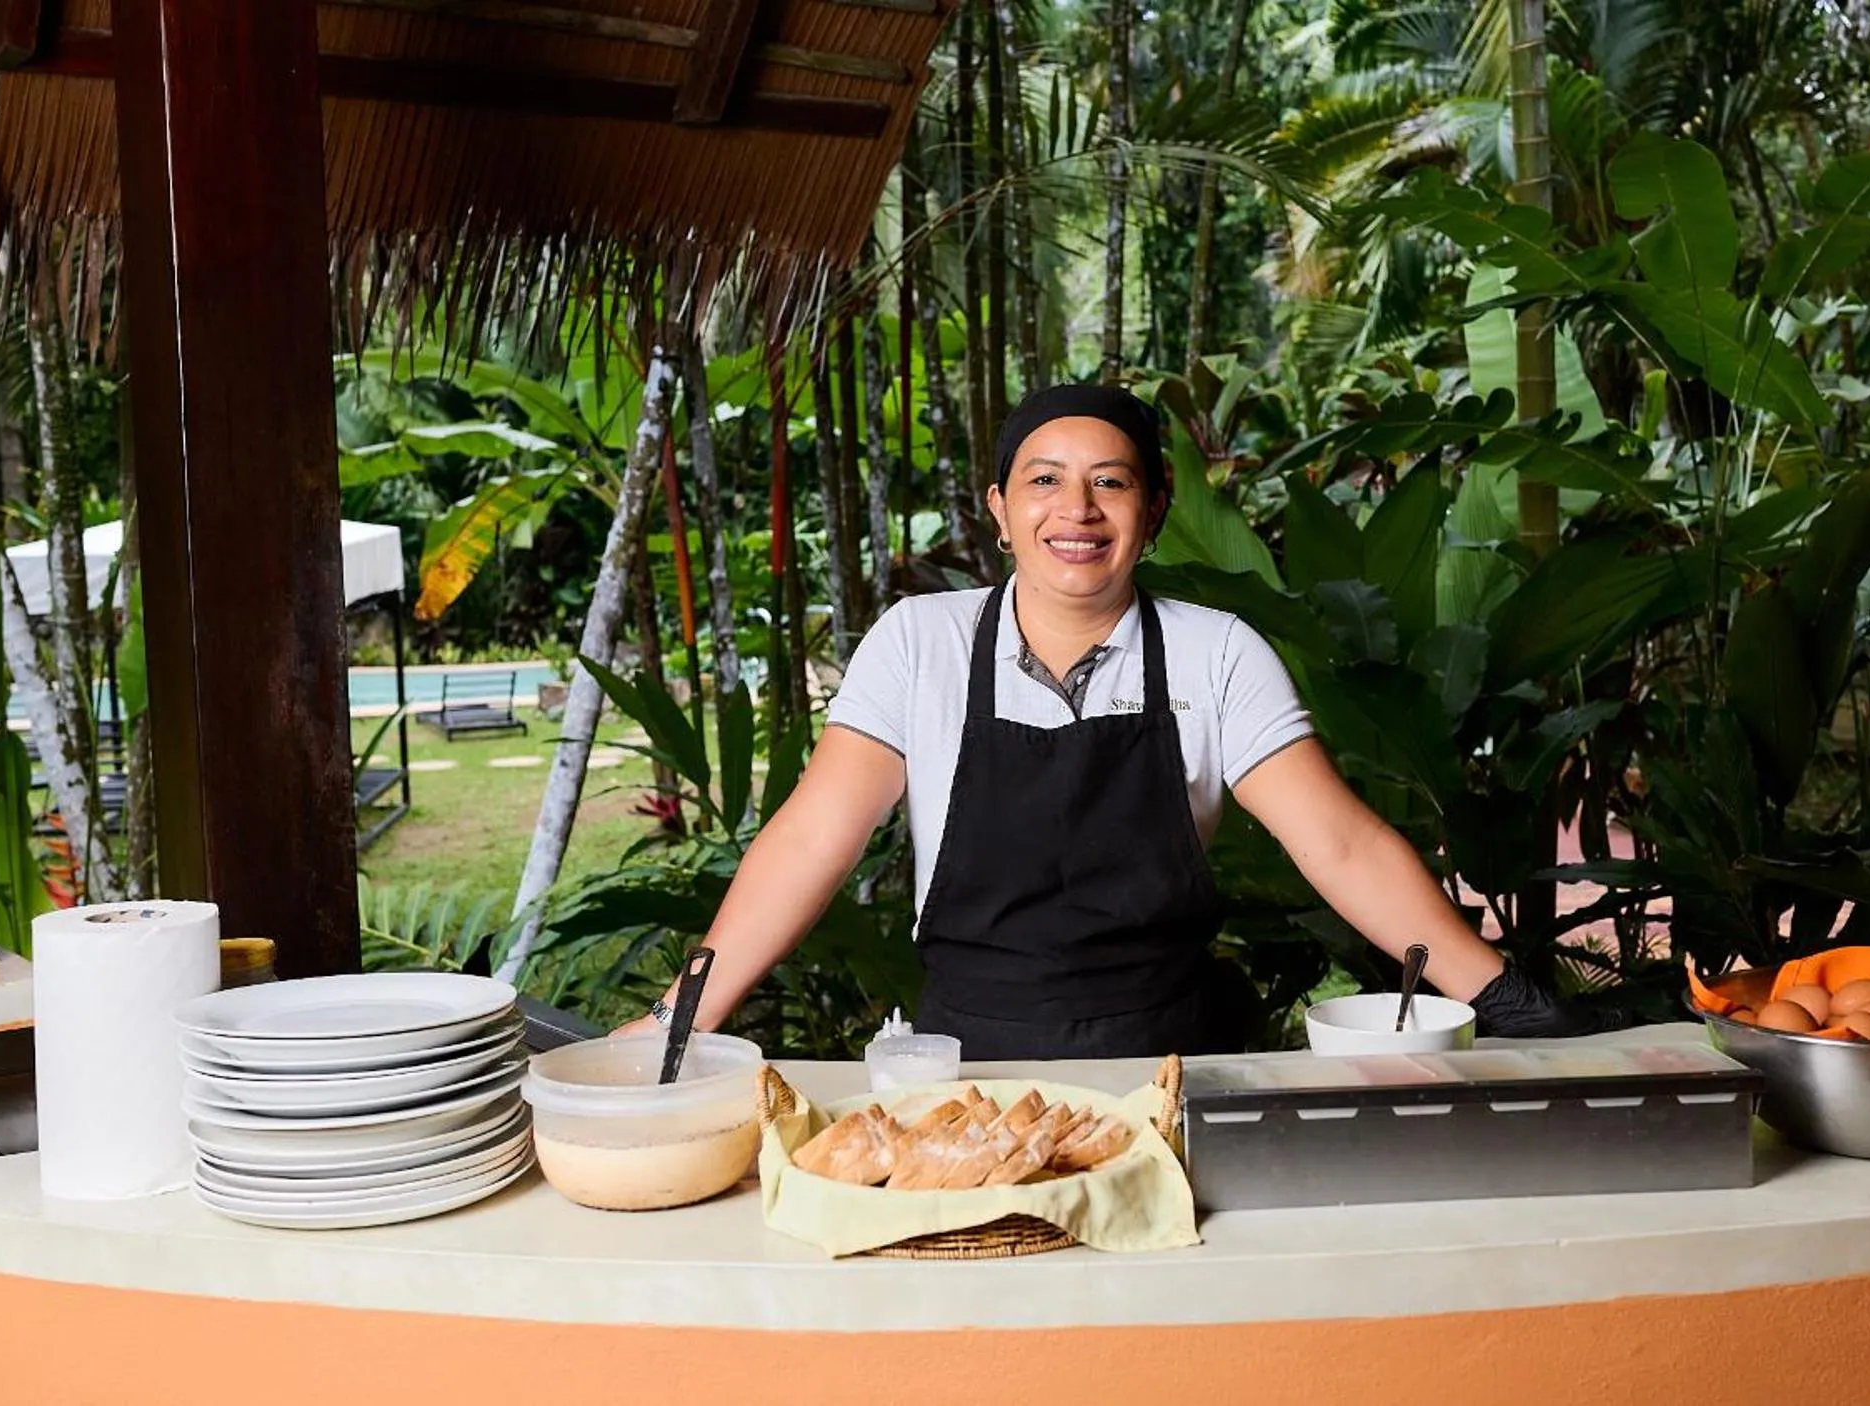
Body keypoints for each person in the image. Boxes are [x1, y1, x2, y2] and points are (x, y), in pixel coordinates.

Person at [624, 383, 1607, 1059]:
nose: (1077, 509)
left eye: (1111, 479)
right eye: (1044, 479)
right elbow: (805, 842)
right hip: (968, 1065)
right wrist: (677, 1023)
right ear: (1000, 510)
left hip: (1172, 1056)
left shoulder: (1216, 651)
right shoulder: (920, 642)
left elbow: (1343, 845)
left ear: (1154, 504)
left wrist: (1505, 998)